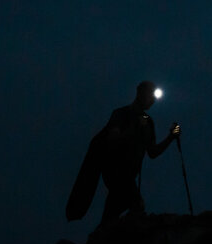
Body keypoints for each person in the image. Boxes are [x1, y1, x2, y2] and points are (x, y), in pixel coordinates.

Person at [69, 80, 180, 228]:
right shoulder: (121, 114)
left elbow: (152, 152)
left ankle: (101, 241)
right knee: (136, 205)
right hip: (115, 171)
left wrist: (171, 137)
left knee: (112, 212)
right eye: (150, 94)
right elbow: (113, 138)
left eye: (155, 97)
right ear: (140, 92)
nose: (152, 100)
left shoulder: (148, 122)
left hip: (129, 175)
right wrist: (134, 129)